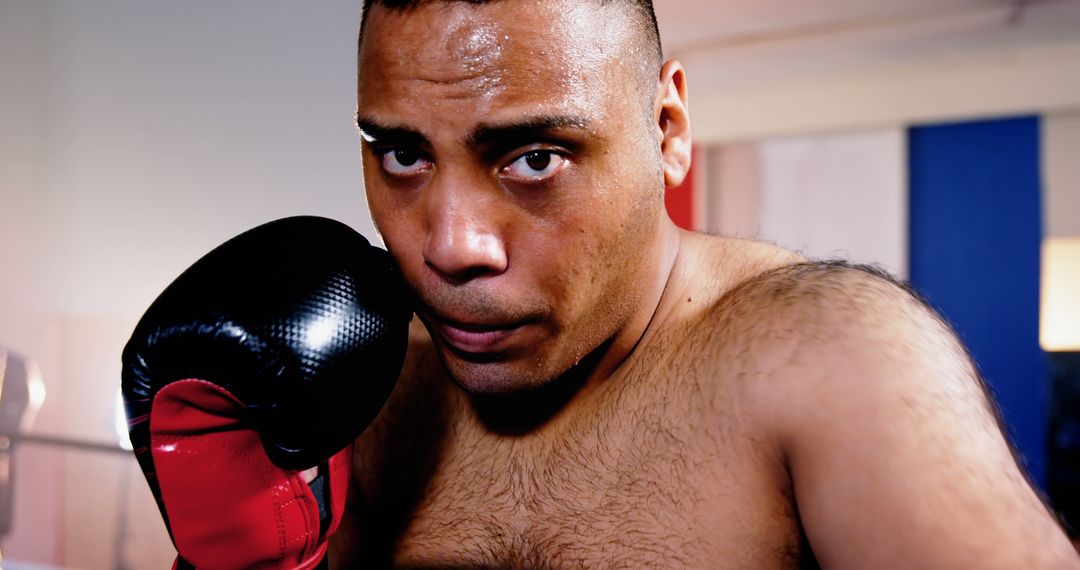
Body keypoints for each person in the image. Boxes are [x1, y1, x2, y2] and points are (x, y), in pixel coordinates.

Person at [122, 0, 1080, 568]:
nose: (451, 247)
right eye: (403, 155)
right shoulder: (373, 388)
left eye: (534, 157)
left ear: (667, 130)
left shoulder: (825, 363)